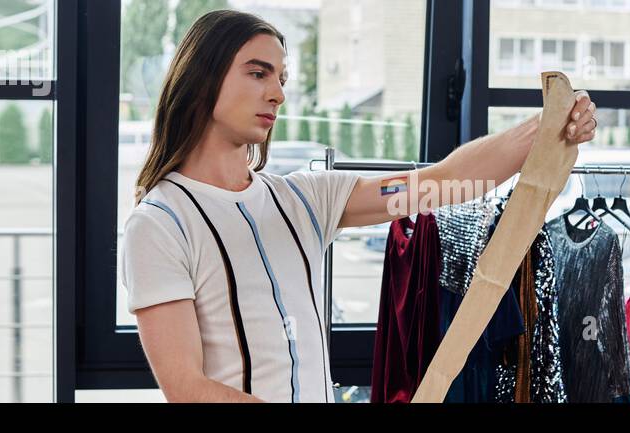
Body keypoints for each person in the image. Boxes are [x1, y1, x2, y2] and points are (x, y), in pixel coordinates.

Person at [119, 10, 599, 403]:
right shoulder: (160, 224)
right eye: (258, 72)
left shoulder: (306, 198)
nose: (278, 93)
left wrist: (547, 128)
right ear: (202, 78)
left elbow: (441, 183)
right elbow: (186, 388)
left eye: (282, 78)